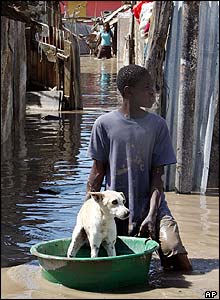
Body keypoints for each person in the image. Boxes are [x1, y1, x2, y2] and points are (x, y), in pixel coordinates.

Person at [86, 64, 192, 272]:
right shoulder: (104, 124)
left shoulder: (157, 126)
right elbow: (97, 174)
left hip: (150, 205)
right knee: (105, 259)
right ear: (128, 92)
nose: (153, 92)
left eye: (153, 86)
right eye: (147, 87)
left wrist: (152, 215)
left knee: (174, 251)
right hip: (116, 208)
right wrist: (87, 211)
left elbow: (157, 179)